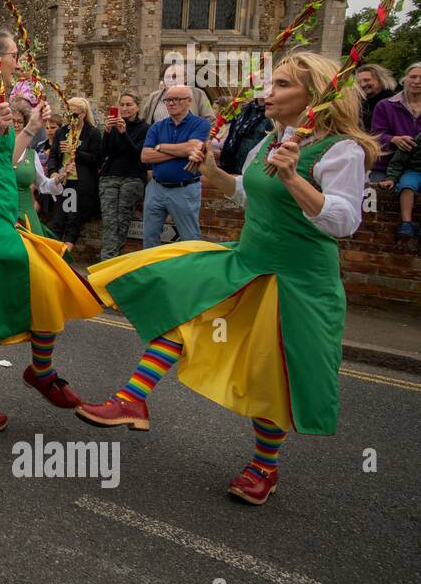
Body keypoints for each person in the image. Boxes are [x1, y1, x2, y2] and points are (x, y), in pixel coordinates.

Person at [76, 52, 379, 505]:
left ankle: (264, 466)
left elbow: (343, 222)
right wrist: (214, 172)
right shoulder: (271, 141)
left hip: (298, 279)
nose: (266, 94)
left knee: (273, 374)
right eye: (270, 84)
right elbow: (247, 194)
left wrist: (295, 178)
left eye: (279, 86)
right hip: (247, 261)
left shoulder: (341, 151)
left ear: (314, 95)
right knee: (183, 309)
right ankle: (132, 399)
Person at [0, 32, 102, 434]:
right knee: (34, 282)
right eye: (14, 55)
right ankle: (36, 373)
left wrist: (28, 129)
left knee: (9, 295)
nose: (20, 62)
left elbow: (5, 164)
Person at [140, 84, 210, 247]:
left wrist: (161, 146)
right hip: (156, 188)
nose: (171, 103)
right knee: (150, 238)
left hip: (184, 189)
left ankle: (191, 271)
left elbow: (193, 148)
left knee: (190, 239)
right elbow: (145, 156)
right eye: (168, 100)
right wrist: (180, 150)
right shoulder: (158, 126)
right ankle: (152, 272)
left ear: (189, 101)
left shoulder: (200, 124)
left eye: (176, 99)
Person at [4, 89, 66, 241]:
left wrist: (58, 178)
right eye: (12, 122)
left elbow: (43, 185)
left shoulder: (32, 155)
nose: (16, 125)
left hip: (26, 216)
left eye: (20, 122)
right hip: (3, 213)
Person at [98, 90, 149, 259]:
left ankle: (112, 259)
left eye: (129, 104)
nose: (125, 108)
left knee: (122, 220)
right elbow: (104, 153)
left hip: (132, 176)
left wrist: (123, 133)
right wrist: (106, 132)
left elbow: (137, 155)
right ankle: (108, 259)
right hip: (110, 176)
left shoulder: (145, 129)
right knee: (109, 221)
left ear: (137, 107)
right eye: (122, 105)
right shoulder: (112, 127)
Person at [47, 96, 101, 254]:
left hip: (79, 183)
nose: (70, 118)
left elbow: (96, 159)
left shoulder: (92, 132)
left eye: (74, 115)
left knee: (72, 220)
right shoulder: (62, 132)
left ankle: (64, 257)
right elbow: (53, 156)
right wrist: (53, 172)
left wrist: (74, 151)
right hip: (62, 182)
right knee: (57, 220)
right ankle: (53, 257)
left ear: (83, 114)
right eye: (67, 114)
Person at [370, 62, 421, 189]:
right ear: (405, 79)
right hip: (385, 165)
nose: (417, 81)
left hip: (418, 168)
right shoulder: (386, 105)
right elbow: (375, 135)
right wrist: (393, 139)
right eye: (413, 77)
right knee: (376, 198)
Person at [380, 126, 421, 238]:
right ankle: (406, 223)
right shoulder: (416, 140)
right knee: (406, 186)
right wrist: (391, 178)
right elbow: (398, 162)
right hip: (414, 171)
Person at [354, 63, 395, 152]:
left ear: (381, 80)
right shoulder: (360, 103)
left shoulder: (393, 102)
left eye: (367, 80)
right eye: (359, 81)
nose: (362, 85)